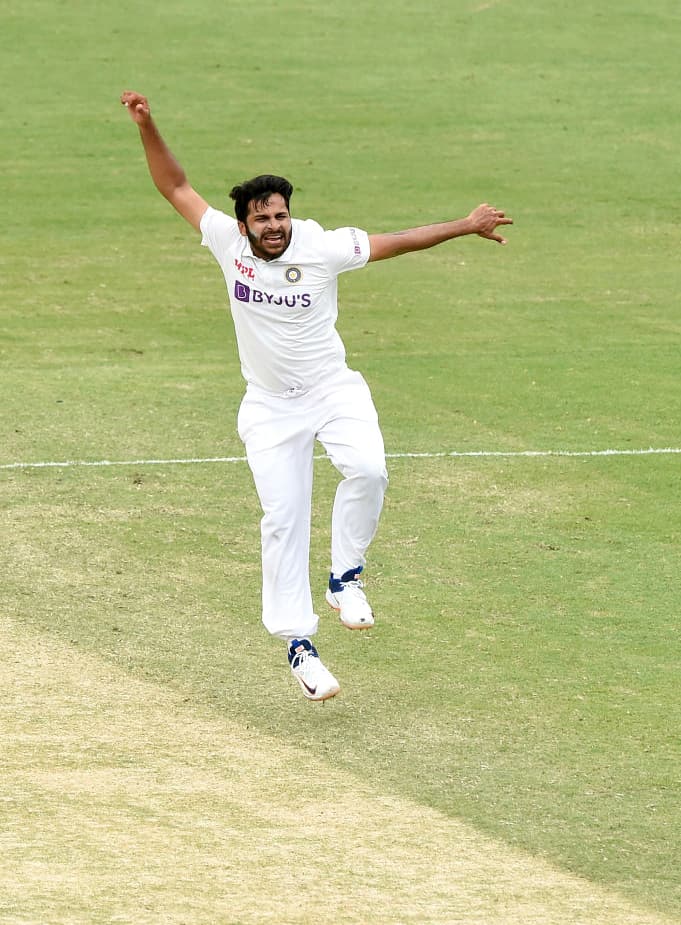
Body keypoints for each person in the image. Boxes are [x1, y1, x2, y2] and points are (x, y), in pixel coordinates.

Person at [120, 89, 513, 703]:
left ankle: (345, 578)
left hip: (333, 390)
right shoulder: (226, 242)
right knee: (283, 518)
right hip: (270, 407)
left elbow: (399, 241)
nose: (272, 227)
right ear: (244, 223)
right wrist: (148, 125)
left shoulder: (322, 247)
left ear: (288, 215)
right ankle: (299, 643)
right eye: (261, 219)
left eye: (279, 216)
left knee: (369, 469)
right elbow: (174, 186)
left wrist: (464, 225)